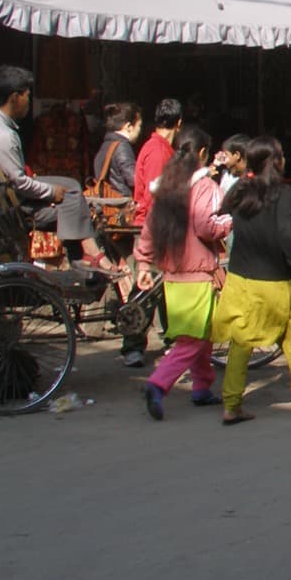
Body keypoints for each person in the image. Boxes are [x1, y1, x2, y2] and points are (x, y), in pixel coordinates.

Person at [213, 135, 291, 424]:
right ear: (275, 161)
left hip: (240, 279)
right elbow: (286, 234)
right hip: (274, 280)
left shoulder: (240, 190)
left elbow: (221, 211)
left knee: (241, 342)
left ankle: (231, 405)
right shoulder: (284, 193)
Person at [135, 125, 233, 419]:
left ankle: (202, 387)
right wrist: (230, 220)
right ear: (203, 153)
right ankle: (158, 383)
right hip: (197, 273)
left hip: (172, 275)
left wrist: (142, 263)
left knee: (200, 335)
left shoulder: (166, 187)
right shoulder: (204, 187)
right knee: (192, 339)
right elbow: (207, 226)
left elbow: (149, 229)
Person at [0, 65, 111, 272]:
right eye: (26, 95)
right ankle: (88, 252)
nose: (28, 101)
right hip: (10, 206)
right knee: (71, 194)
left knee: (70, 186)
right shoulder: (3, 136)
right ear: (15, 97)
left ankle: (83, 253)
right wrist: (51, 192)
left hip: (3, 198)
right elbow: (18, 182)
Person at [131, 97, 183, 225]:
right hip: (153, 228)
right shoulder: (157, 152)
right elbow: (153, 197)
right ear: (179, 123)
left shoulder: (160, 148)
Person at [91, 102, 143, 200]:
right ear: (128, 127)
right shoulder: (122, 146)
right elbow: (134, 179)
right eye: (139, 126)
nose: (140, 131)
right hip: (120, 208)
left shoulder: (105, 145)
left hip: (108, 205)